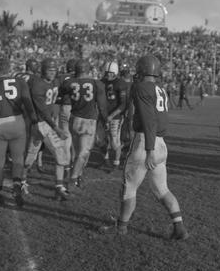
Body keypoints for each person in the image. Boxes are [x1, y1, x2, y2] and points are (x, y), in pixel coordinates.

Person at [99, 55, 188, 240]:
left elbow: (148, 120)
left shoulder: (141, 87)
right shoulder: (160, 89)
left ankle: (121, 227)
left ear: (141, 69)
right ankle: (179, 227)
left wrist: (149, 150)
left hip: (146, 143)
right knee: (162, 189)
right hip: (162, 144)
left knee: (128, 188)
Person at [0, 57, 38, 207]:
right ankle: (17, 184)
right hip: (17, 122)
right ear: (9, 68)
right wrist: (35, 122)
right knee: (18, 159)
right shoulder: (20, 82)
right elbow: (29, 105)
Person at [22, 58, 70, 200]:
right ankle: (23, 182)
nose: (52, 73)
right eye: (50, 70)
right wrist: (57, 128)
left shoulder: (54, 81)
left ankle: (59, 187)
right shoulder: (37, 85)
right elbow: (42, 110)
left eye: (54, 70)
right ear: (43, 71)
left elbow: (65, 80)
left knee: (58, 154)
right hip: (41, 124)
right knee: (31, 156)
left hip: (46, 124)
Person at [61, 59, 108, 189]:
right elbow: (102, 106)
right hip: (89, 121)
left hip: (74, 119)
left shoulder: (68, 83)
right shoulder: (96, 83)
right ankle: (73, 178)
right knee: (83, 153)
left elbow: (63, 101)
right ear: (88, 70)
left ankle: (76, 174)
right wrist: (105, 121)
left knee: (76, 152)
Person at [100, 61, 129, 170]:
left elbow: (123, 104)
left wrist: (112, 115)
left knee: (114, 141)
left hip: (115, 116)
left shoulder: (120, 83)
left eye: (110, 73)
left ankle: (116, 163)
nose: (108, 75)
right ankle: (106, 160)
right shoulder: (101, 82)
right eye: (107, 72)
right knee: (101, 140)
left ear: (115, 72)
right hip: (103, 116)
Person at [56, 58, 78, 180]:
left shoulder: (61, 77)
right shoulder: (79, 77)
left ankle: (67, 168)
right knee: (75, 138)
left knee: (66, 138)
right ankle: (74, 166)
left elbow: (57, 94)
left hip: (65, 107)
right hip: (77, 109)